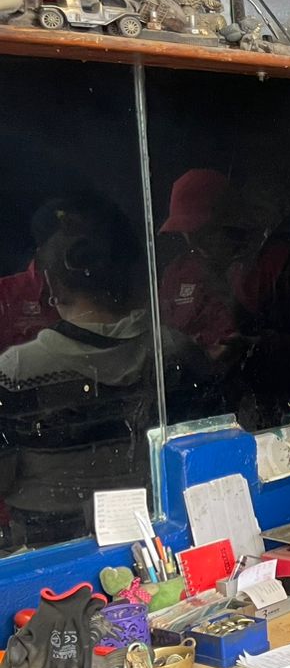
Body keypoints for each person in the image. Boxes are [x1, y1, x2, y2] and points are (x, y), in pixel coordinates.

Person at [0, 200, 154, 552]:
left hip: (45, 550)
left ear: (51, 281)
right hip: (145, 538)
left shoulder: (17, 370)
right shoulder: (171, 350)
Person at [156, 169, 290, 428]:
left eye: (203, 227)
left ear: (230, 221)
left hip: (277, 414)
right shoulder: (177, 273)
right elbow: (163, 345)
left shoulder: (280, 264)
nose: (193, 237)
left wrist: (257, 345)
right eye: (185, 229)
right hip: (195, 415)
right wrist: (191, 353)